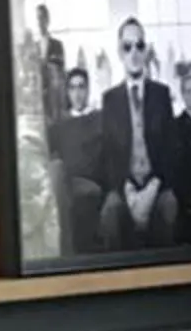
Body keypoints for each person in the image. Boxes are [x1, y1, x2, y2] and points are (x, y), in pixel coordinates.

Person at [96, 17, 182, 249]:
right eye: (127, 46)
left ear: (146, 51)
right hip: (124, 187)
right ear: (119, 53)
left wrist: (153, 187)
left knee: (169, 207)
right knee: (110, 213)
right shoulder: (110, 99)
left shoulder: (161, 94)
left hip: (157, 184)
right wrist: (127, 189)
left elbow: (171, 149)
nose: (134, 52)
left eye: (140, 45)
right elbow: (107, 155)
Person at [50, 53, 105, 253]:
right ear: (67, 92)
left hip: (90, 183)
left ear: (88, 90)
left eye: (81, 87)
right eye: (72, 88)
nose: (77, 93)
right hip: (66, 184)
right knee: (56, 171)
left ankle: (70, 251)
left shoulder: (98, 119)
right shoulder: (60, 124)